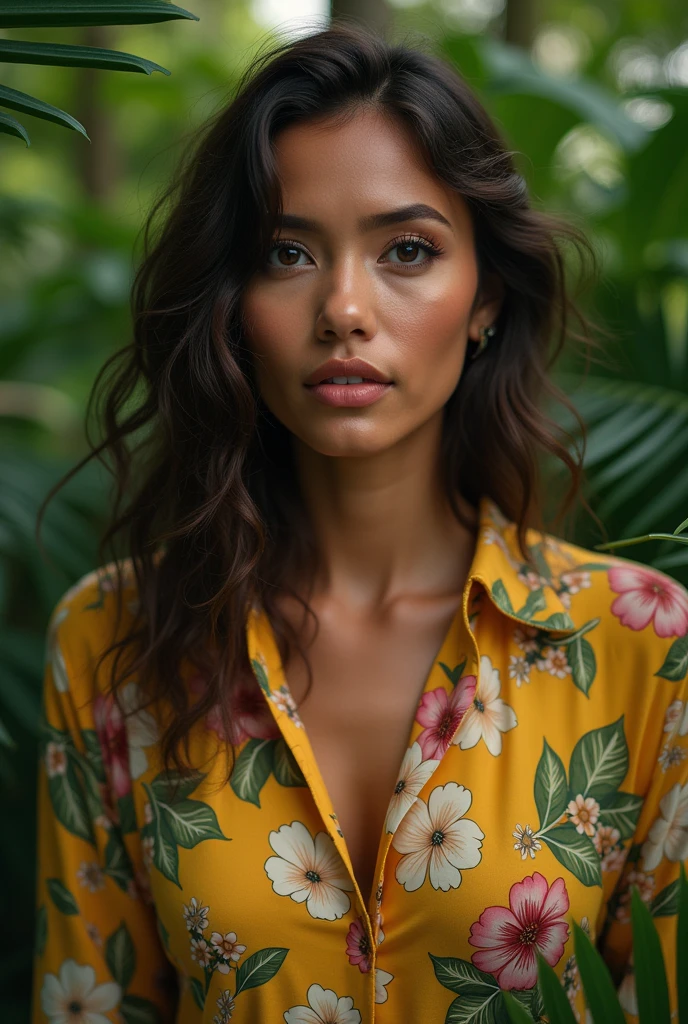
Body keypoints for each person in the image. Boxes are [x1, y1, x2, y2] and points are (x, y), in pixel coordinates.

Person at [32, 22, 688, 1024]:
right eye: (287, 252)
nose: (343, 306)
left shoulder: (643, 646)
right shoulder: (110, 644)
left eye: (407, 250)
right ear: (230, 302)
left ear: (485, 301)